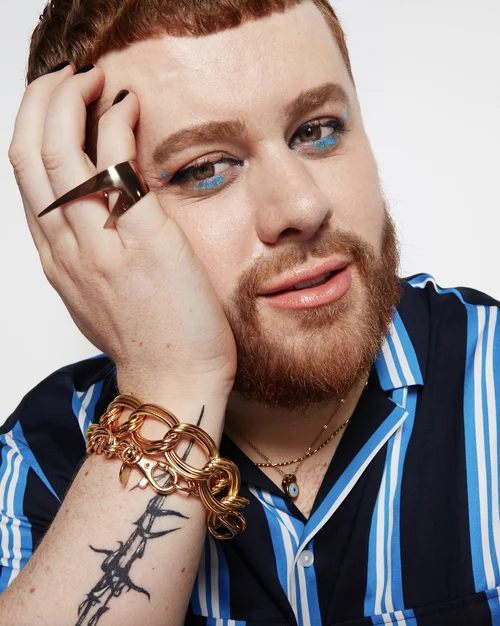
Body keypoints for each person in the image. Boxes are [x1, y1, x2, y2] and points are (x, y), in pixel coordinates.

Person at [2, 0, 500, 624]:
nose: (302, 206)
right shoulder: (40, 462)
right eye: (206, 168)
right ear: (92, 220)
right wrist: (173, 387)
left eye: (316, 130)